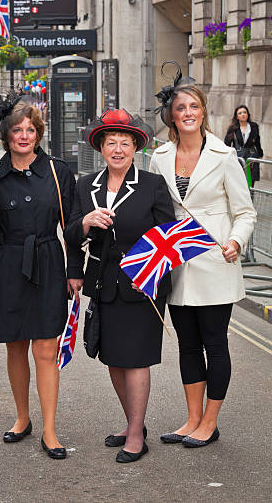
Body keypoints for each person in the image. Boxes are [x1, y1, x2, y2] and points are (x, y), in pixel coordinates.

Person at [149, 66, 256, 448]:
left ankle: (210, 422)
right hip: (177, 266)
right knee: (187, 345)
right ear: (172, 116)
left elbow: (245, 211)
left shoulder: (224, 155)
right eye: (181, 108)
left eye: (194, 106)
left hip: (215, 263)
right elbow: (155, 211)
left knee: (215, 344)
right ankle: (191, 419)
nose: (188, 112)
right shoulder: (159, 157)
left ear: (203, 111)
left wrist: (236, 242)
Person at [64, 109, 175, 464]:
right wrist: (85, 222)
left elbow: (168, 240)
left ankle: (136, 437)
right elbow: (68, 236)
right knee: (113, 359)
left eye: (124, 143)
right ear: (100, 147)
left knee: (136, 360)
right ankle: (133, 426)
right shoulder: (86, 186)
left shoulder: (152, 185)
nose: (117, 149)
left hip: (142, 285)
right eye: (111, 142)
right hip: (103, 284)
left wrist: (152, 277)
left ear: (135, 147)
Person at [0, 98, 83, 460]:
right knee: (15, 346)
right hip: (8, 265)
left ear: (38, 135)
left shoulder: (58, 172)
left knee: (46, 349)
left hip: (48, 263)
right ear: (6, 136)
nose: (24, 136)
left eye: (30, 130)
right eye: (17, 130)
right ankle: (22, 419)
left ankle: (50, 430)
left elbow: (70, 226)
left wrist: (75, 271)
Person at [224, 105, 263, 186]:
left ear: (248, 114)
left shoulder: (254, 126)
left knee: (250, 183)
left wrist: (260, 154)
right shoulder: (233, 128)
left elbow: (257, 141)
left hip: (251, 157)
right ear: (237, 116)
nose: (243, 114)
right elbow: (227, 144)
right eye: (240, 113)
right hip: (238, 157)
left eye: (245, 112)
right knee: (239, 183)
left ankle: (250, 198)